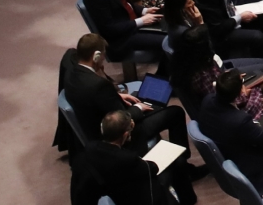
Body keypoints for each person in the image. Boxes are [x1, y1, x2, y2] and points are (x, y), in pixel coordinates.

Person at [70, 109, 213, 205]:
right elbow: (152, 168)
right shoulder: (125, 159)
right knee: (164, 179)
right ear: (125, 135)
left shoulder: (87, 150)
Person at [63, 34, 191, 156]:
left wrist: (116, 96)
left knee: (148, 102)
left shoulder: (70, 72)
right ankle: (183, 166)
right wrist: (139, 108)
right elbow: (121, 120)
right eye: (103, 54)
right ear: (96, 56)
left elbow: (94, 99)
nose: (104, 58)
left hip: (94, 124)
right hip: (116, 134)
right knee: (175, 113)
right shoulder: (99, 85)